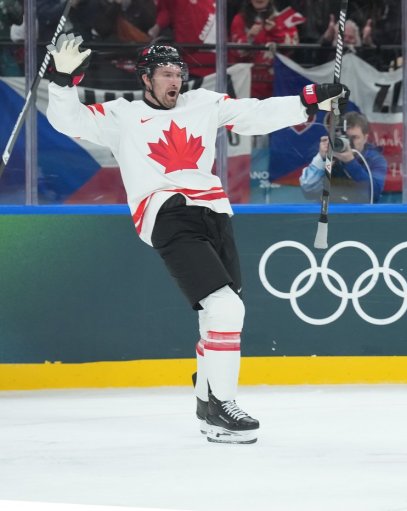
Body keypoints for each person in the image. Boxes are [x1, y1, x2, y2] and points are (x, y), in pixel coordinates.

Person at [45, 33, 349, 444]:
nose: (175, 81)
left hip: (216, 213)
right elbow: (68, 121)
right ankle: (224, 404)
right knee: (224, 307)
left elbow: (255, 113)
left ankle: (207, 402)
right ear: (146, 78)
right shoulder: (122, 116)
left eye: (179, 74)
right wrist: (62, 82)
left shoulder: (203, 105)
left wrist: (309, 100)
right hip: (166, 211)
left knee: (221, 311)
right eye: (166, 74)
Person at [300, 111, 387, 204]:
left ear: (365, 138)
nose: (349, 142)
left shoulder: (375, 160)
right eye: (346, 137)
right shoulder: (330, 154)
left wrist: (351, 162)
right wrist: (321, 159)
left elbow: (374, 195)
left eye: (354, 137)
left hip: (359, 214)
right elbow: (307, 189)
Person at [229, 0, 302, 99]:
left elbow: (292, 46)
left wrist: (275, 31)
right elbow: (235, 51)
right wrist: (249, 37)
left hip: (278, 85)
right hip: (247, 86)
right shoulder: (239, 19)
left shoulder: (282, 18)